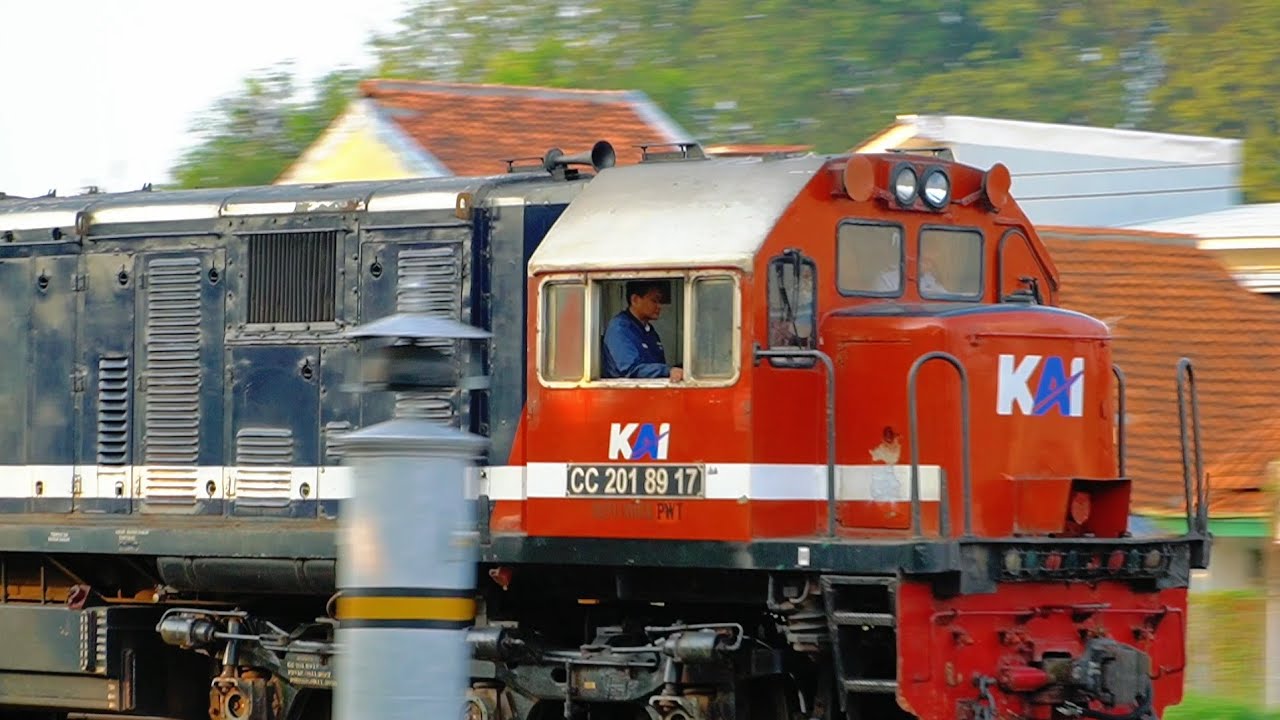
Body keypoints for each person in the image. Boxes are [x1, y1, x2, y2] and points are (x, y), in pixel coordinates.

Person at [602, 280, 684, 381]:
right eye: (654, 301)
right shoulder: (619, 328)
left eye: (660, 301)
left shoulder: (650, 331)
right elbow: (631, 369)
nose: (659, 306)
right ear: (635, 300)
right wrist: (667, 371)